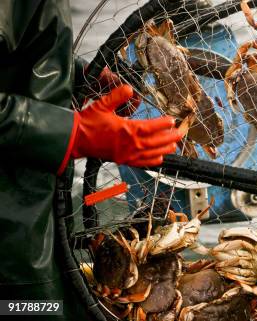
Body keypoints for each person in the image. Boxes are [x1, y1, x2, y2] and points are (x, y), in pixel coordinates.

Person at [0, 0, 183, 319]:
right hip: (9, 226)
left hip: (32, 201)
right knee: (28, 309)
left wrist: (72, 72)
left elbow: (16, 48)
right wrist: (72, 132)